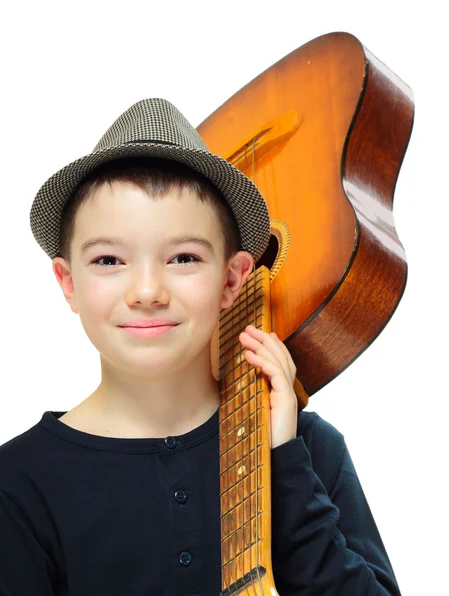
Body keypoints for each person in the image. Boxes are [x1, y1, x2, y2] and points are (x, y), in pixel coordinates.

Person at [0, 98, 401, 595]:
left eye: (184, 257)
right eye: (109, 260)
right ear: (68, 282)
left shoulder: (307, 448)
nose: (147, 291)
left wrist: (284, 462)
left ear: (233, 280)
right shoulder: (18, 485)